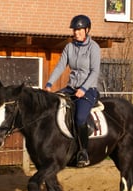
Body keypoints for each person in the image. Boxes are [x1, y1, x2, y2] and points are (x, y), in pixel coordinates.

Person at [45, 14, 101, 167]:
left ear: (87, 30)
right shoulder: (69, 47)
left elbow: (95, 71)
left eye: (80, 30)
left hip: (88, 89)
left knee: (80, 119)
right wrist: (49, 84)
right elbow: (60, 66)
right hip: (71, 88)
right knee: (53, 106)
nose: (76, 32)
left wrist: (83, 88)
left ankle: (83, 152)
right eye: (75, 30)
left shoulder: (93, 47)